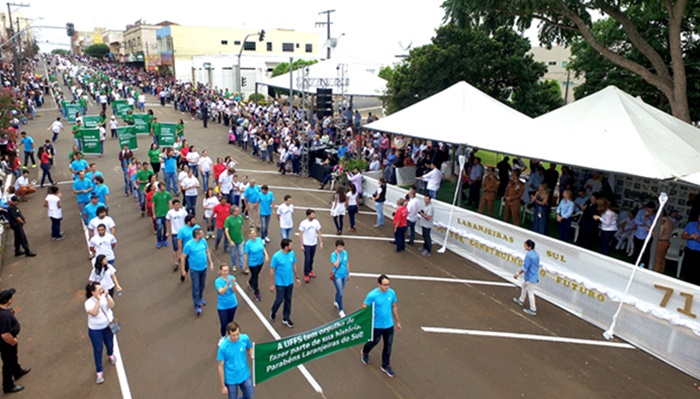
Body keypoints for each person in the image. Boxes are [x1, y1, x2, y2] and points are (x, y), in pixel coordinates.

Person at [360, 274, 401, 378]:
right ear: (379, 284)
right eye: (384, 285)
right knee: (374, 341)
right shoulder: (373, 295)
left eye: (388, 284)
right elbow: (364, 306)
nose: (387, 287)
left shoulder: (391, 293)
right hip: (376, 325)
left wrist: (398, 321)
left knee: (388, 346)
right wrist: (369, 313)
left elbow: (394, 306)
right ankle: (365, 351)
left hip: (388, 325)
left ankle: (385, 365)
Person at [84, 282, 116, 385]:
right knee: (98, 349)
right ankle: (99, 371)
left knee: (110, 343)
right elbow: (94, 313)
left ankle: (110, 354)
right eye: (99, 290)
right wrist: (98, 300)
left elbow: (112, 305)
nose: (101, 291)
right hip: (95, 330)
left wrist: (106, 297)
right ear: (92, 292)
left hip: (107, 327)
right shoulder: (88, 303)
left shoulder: (105, 296)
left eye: (102, 289)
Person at [0, 289, 30, 393]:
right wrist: (13, 341)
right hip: (6, 343)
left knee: (13, 357)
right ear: (8, 300)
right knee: (8, 362)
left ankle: (17, 371)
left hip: (9, 342)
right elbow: (4, 335)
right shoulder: (4, 317)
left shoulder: (4, 310)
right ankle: (8, 385)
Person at [180, 228, 214, 315]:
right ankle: (197, 305)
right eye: (201, 233)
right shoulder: (189, 245)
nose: (203, 234)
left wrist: (211, 263)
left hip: (204, 268)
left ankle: (200, 298)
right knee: (196, 287)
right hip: (194, 270)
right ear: (197, 235)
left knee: (202, 285)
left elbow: (207, 251)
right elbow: (183, 257)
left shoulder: (203, 241)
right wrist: (183, 270)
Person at [217, 322, 254, 399]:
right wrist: (223, 386)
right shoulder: (223, 347)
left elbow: (249, 348)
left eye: (237, 334)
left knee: (249, 396)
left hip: (245, 374)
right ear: (228, 334)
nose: (236, 337)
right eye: (233, 335)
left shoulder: (245, 338)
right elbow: (220, 366)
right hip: (231, 379)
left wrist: (251, 354)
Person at [269, 238, 301, 328]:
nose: (292, 246)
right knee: (279, 300)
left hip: (289, 282)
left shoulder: (292, 254)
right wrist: (271, 284)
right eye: (290, 245)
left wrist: (297, 277)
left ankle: (286, 318)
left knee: (288, 300)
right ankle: (273, 311)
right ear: (286, 247)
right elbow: (272, 270)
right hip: (280, 283)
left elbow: (294, 265)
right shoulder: (276, 256)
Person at [513, 239, 540, 316]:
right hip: (534, 275)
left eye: (525, 245)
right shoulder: (536, 255)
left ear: (529, 247)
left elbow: (525, 267)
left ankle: (533, 309)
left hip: (530, 276)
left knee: (530, 292)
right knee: (524, 286)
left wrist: (517, 274)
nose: (524, 247)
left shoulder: (529, 255)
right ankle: (521, 300)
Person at [215, 265, 238, 344]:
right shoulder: (218, 281)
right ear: (221, 271)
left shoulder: (232, 278)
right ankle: (223, 336)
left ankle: (230, 336)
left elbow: (234, 290)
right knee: (224, 323)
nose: (226, 272)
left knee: (230, 322)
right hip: (222, 306)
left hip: (232, 304)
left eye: (227, 270)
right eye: (224, 271)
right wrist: (227, 285)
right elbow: (222, 292)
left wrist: (234, 284)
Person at [244, 228, 268, 302]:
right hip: (252, 263)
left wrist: (266, 255)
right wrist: (244, 265)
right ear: (249, 235)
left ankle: (250, 282)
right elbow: (246, 255)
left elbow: (263, 248)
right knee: (256, 277)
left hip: (260, 261)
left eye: (254, 233)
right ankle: (256, 292)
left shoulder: (259, 239)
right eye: (251, 234)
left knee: (256, 274)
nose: (253, 235)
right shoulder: (248, 244)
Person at [299, 209, 323, 283]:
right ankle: (306, 273)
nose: (313, 216)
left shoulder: (316, 222)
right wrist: (301, 244)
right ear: (308, 215)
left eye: (314, 214)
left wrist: (321, 242)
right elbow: (300, 234)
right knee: (307, 259)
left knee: (312, 258)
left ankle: (310, 270)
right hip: (306, 244)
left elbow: (319, 232)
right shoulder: (303, 223)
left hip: (314, 243)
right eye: (312, 214)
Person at [632, 202, 656, 268]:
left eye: (651, 211)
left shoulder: (654, 216)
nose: (649, 212)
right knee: (636, 251)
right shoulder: (641, 212)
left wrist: (647, 218)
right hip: (638, 235)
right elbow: (636, 220)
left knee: (645, 252)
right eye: (648, 210)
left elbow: (651, 226)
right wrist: (644, 225)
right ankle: (634, 264)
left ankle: (643, 265)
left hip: (647, 237)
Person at [330, 239, 350, 318]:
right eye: (339, 247)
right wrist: (338, 255)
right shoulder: (333, 255)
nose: (340, 248)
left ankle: (336, 300)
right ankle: (341, 310)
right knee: (340, 292)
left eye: (342, 247)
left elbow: (347, 263)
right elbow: (336, 265)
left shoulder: (345, 253)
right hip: (337, 275)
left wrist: (348, 273)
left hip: (344, 274)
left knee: (340, 290)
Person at [224, 206, 246, 273]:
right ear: (232, 212)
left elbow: (242, 226)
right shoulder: (228, 220)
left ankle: (242, 267)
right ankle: (233, 265)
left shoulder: (240, 217)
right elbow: (226, 231)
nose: (238, 212)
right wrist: (230, 241)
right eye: (236, 211)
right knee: (233, 254)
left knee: (241, 253)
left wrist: (242, 236)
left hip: (240, 240)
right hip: (232, 241)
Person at [681, 214, 700, 285]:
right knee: (687, 268)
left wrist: (697, 238)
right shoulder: (691, 224)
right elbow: (683, 235)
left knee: (697, 271)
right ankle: (686, 283)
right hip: (689, 249)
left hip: (699, 252)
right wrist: (690, 237)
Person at [152, 182, 173, 248]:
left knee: (165, 227)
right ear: (159, 187)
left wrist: (170, 212)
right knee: (159, 228)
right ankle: (159, 241)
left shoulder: (167, 194)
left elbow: (170, 203)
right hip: (158, 214)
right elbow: (153, 205)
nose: (164, 187)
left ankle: (165, 239)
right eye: (163, 186)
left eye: (164, 186)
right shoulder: (155, 195)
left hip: (166, 214)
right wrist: (154, 214)